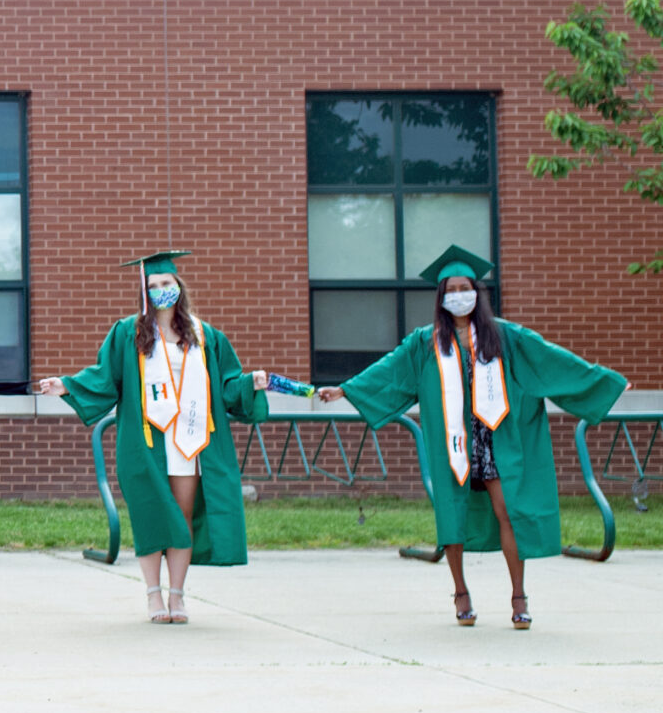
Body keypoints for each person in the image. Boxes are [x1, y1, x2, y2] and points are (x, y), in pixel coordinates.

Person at [318, 245, 625, 629]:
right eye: (451, 290)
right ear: (441, 298)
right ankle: (461, 593)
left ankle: (519, 597)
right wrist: (344, 390)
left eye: (465, 288)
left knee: (507, 511)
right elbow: (389, 370)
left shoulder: (506, 337)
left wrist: (606, 384)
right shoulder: (424, 342)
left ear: (476, 293)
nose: (458, 295)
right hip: (454, 441)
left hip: (497, 438)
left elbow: (553, 360)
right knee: (453, 513)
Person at [33, 250, 270, 624]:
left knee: (183, 516)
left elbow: (225, 386)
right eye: (154, 285)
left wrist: (249, 383)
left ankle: (177, 597)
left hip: (189, 438)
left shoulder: (205, 336)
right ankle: (152, 596)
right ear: (144, 292)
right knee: (149, 516)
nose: (161, 290)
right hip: (146, 441)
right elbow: (104, 378)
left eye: (167, 284)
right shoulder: (128, 333)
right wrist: (65, 385)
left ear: (179, 287)